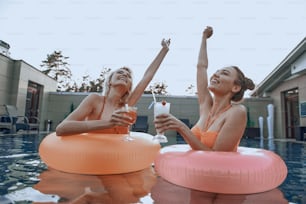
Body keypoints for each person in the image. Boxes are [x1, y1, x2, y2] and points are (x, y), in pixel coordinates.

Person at [154, 26, 255, 151]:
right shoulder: (206, 106)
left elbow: (217, 157)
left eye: (224, 73)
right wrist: (204, 38)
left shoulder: (237, 112)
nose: (216, 74)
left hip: (219, 170)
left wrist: (181, 127)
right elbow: (201, 67)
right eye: (217, 71)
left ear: (235, 87)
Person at [56, 39, 170, 136]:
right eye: (120, 72)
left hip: (118, 159)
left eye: (128, 76)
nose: (124, 75)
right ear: (110, 81)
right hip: (93, 156)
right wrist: (109, 123)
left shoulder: (127, 106)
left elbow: (147, 77)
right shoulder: (95, 100)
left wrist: (164, 50)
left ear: (129, 87)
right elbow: (61, 129)